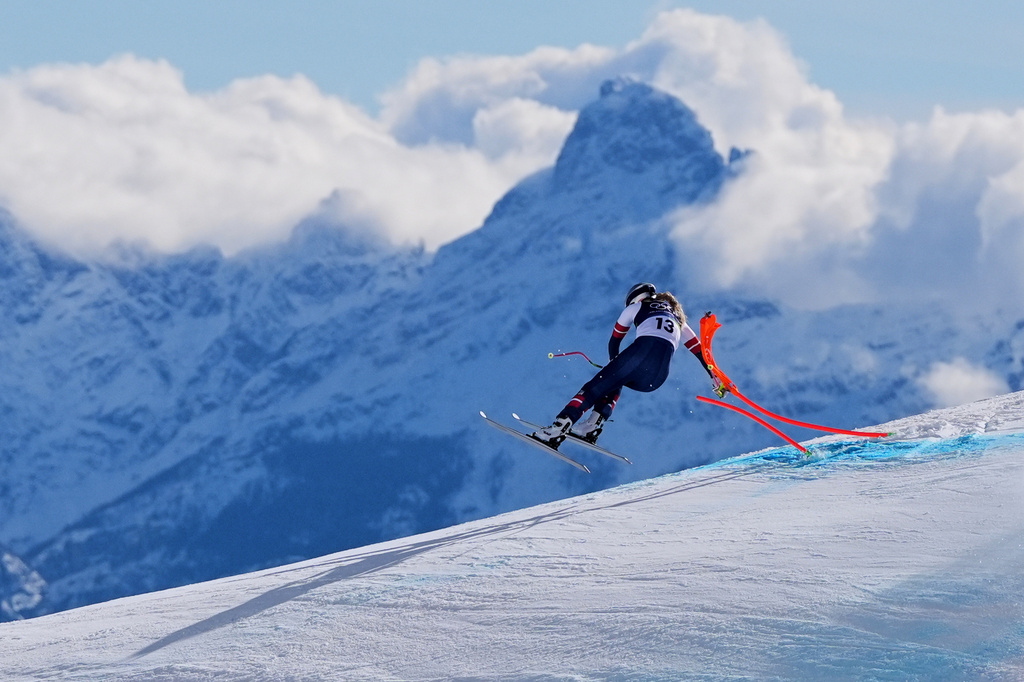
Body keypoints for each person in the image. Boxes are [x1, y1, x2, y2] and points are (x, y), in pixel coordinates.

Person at [532, 282, 724, 448]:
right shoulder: (679, 319)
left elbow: (614, 341)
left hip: (639, 356)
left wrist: (611, 367)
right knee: (617, 379)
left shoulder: (636, 308)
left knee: (594, 389)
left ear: (635, 298)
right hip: (657, 379)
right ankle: (592, 426)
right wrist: (713, 376)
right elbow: (699, 350)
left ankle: (557, 429)